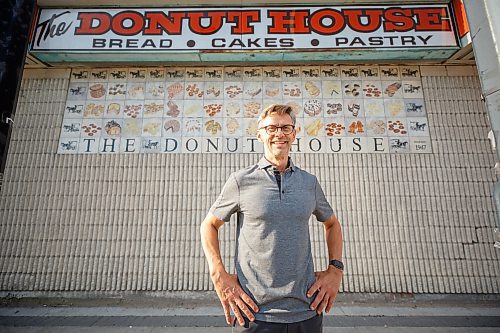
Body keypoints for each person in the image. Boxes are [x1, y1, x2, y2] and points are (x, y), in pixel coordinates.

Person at [200, 104, 343, 332]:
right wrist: (219, 273)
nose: (279, 134)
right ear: (260, 135)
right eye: (271, 128)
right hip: (253, 313)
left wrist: (335, 269)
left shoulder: (309, 183)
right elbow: (209, 225)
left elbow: (332, 224)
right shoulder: (240, 181)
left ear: (294, 134)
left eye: (286, 128)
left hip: (306, 311)